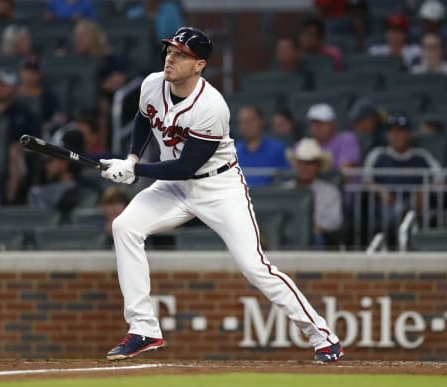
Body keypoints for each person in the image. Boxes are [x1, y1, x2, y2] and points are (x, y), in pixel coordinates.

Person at [98, 26, 343, 363]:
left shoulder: (212, 106)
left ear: (198, 65)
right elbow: (144, 118)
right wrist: (132, 158)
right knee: (125, 227)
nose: (171, 58)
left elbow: (187, 167)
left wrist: (136, 172)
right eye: (170, 51)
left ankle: (323, 336)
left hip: (218, 187)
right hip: (172, 185)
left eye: (181, 54)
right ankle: (144, 329)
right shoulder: (152, 84)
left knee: (254, 267)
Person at [363, 112, 444, 243]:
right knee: (394, 216)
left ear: (409, 134)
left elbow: (441, 180)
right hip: (389, 206)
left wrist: (425, 191)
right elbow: (365, 181)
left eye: (400, 131)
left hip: (418, 207)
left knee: (432, 217)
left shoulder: (422, 156)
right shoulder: (378, 155)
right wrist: (379, 190)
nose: (395, 136)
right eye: (391, 131)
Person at [0, 68, 39, 205]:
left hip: (14, 157)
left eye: (4, 85)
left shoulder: (24, 113)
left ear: (14, 88)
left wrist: (19, 147)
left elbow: (37, 143)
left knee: (13, 153)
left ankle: (9, 201)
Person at [72, 19, 128, 148]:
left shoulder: (110, 59)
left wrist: (98, 85)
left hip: (103, 102)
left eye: (82, 36)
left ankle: (102, 151)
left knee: (102, 105)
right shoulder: (73, 62)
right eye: (76, 36)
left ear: (93, 37)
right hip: (78, 101)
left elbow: (118, 80)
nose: (77, 40)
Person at [28, 127, 98, 222]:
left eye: (50, 160)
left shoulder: (87, 191)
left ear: (64, 163)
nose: (46, 166)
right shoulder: (40, 191)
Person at [284, 138, 342, 248]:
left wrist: (314, 227)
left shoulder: (330, 192)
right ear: (296, 164)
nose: (305, 167)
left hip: (314, 237)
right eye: (301, 162)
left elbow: (335, 221)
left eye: (310, 163)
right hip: (285, 236)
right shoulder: (284, 190)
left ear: (318, 166)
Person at [235, 105, 290, 187]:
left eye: (249, 121)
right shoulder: (232, 152)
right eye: (242, 122)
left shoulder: (277, 150)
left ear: (261, 122)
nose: (245, 126)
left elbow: (286, 180)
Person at [17, 55, 64, 138]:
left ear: (40, 74)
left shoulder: (48, 96)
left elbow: (58, 118)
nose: (30, 75)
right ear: (21, 72)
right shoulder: (11, 94)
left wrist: (50, 124)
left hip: (39, 136)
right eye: (27, 71)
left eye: (34, 72)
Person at [306, 103, 360, 172]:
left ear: (332, 124)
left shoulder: (346, 140)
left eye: (321, 124)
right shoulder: (304, 145)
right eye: (313, 124)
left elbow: (345, 172)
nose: (316, 128)